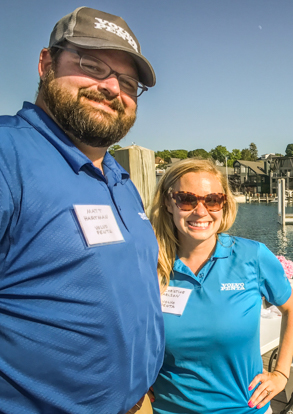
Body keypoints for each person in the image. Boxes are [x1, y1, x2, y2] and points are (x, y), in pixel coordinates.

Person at [0, 7, 163, 414]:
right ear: (45, 63)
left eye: (128, 82)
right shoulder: (8, 156)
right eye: (91, 65)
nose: (111, 87)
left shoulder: (120, 179)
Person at [149, 159, 293, 413]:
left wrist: (281, 374)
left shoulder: (253, 256)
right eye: (187, 199)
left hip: (245, 407)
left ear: (224, 204)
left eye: (212, 200)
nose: (200, 211)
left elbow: (292, 309)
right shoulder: (149, 263)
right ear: (168, 202)